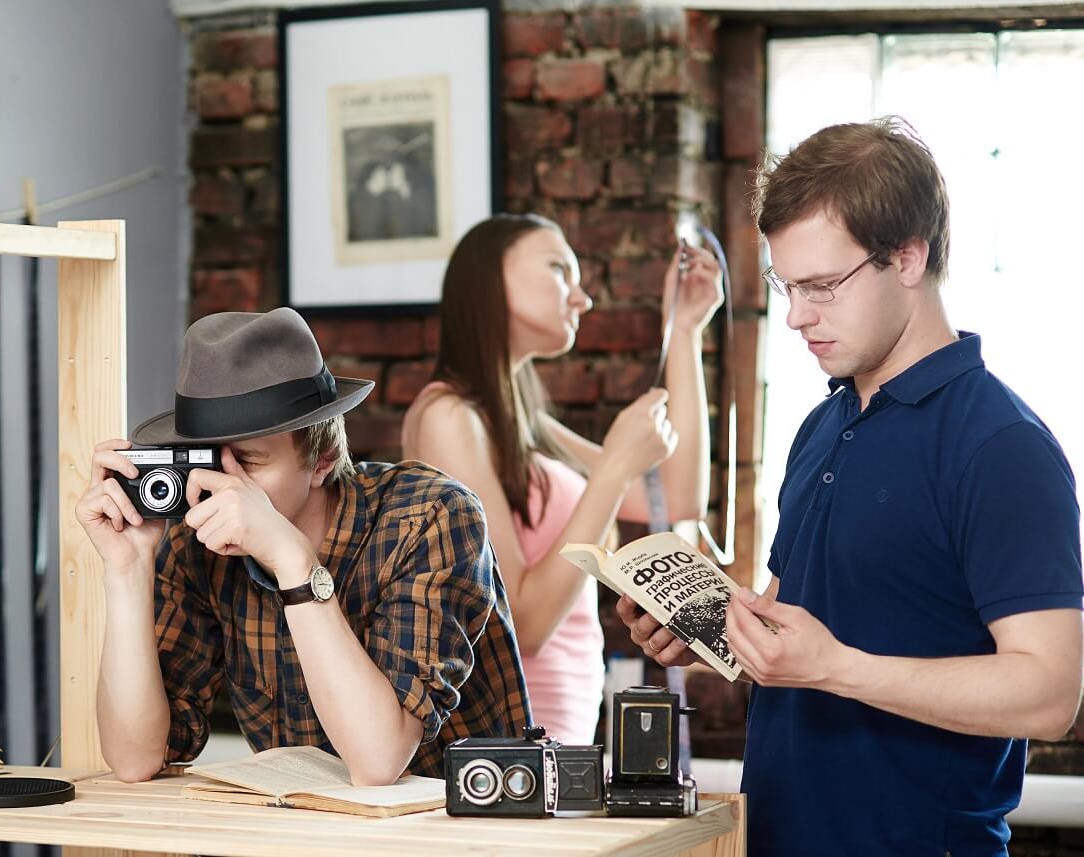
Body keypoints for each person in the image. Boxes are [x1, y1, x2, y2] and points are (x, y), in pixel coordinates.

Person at [618, 117, 1084, 855]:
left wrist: (838, 668)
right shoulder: (821, 423)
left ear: (906, 257)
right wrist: (707, 632)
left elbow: (1050, 693)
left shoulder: (1001, 446)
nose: (798, 315)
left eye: (822, 286)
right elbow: (800, 633)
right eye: (785, 286)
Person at [76, 307, 530, 784]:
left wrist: (292, 561)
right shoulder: (196, 543)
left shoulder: (430, 515)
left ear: (321, 461)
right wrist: (127, 570)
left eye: (248, 464)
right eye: (205, 463)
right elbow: (136, 759)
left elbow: (378, 761)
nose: (222, 489)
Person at [401, 213, 722, 744]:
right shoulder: (447, 418)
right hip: (511, 745)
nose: (582, 299)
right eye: (558, 270)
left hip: (562, 733)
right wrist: (615, 468)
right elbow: (522, 624)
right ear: (489, 279)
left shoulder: (522, 419)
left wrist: (683, 329)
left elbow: (681, 495)